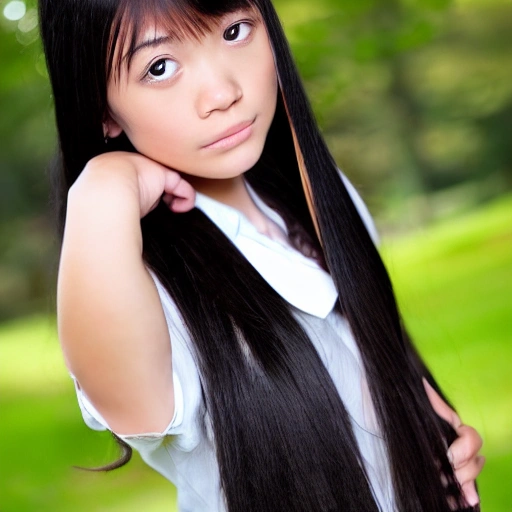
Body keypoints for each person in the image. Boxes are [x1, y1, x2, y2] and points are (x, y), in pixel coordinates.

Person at [39, 0, 484, 510]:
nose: (224, 93)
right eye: (160, 67)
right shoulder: (139, 279)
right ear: (101, 108)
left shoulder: (320, 201)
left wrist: (433, 445)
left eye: (235, 31)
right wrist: (103, 185)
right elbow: (131, 402)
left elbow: (376, 369)